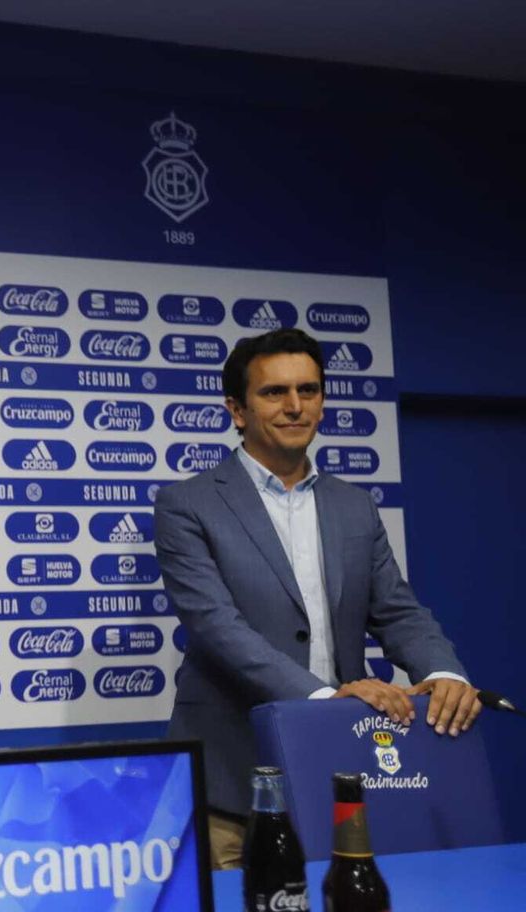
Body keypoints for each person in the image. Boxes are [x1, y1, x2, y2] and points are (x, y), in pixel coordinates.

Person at [153, 327, 478, 868]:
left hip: (342, 771)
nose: (295, 406)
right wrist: (327, 701)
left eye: (309, 390)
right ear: (237, 409)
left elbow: (396, 609)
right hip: (234, 783)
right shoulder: (186, 505)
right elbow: (218, 628)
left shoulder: (354, 505)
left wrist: (446, 674)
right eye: (274, 392)